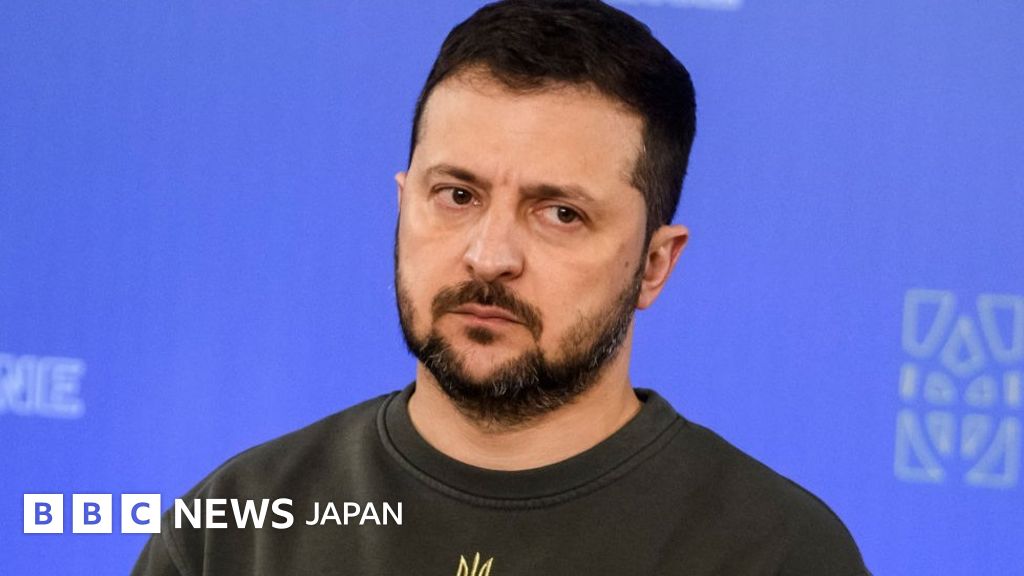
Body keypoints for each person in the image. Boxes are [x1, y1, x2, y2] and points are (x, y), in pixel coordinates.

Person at [133, 1, 870, 574]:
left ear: (655, 264)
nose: (489, 257)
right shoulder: (237, 527)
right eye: (457, 196)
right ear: (403, 203)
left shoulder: (776, 554)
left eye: (560, 213)